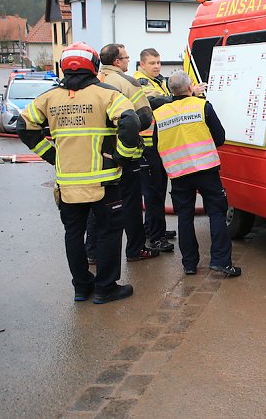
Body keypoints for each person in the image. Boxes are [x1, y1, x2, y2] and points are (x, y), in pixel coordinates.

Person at [17, 42, 143, 304]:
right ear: (94, 65)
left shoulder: (49, 97)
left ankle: (81, 287)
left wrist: (51, 155)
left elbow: (24, 125)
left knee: (73, 235)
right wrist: (123, 155)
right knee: (109, 233)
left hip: (67, 184)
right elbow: (131, 120)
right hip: (104, 181)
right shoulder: (107, 94)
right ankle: (105, 288)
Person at [153, 71, 240, 277]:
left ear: (169, 90)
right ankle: (220, 261)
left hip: (178, 173)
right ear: (190, 87)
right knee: (217, 213)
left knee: (184, 217)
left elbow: (157, 144)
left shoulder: (161, 113)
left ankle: (189, 264)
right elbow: (220, 138)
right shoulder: (203, 106)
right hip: (206, 169)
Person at [84, 43, 159, 262]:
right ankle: (135, 250)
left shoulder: (94, 82)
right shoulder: (127, 83)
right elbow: (143, 118)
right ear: (117, 62)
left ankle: (92, 251)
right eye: (126, 58)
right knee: (131, 203)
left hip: (98, 154)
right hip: (125, 155)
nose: (128, 61)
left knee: (97, 204)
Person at [133, 48, 176, 252]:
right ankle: (156, 237)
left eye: (158, 62)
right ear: (142, 64)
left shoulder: (158, 81)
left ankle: (154, 228)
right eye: (152, 63)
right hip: (148, 148)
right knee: (152, 194)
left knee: (158, 193)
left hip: (159, 146)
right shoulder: (140, 82)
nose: (157, 66)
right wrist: (180, 97)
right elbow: (155, 102)